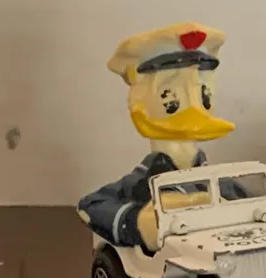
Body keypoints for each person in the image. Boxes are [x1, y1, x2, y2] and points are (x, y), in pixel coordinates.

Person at [77, 23, 236, 253]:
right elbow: (89, 205)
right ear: (141, 104)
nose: (194, 111)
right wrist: (137, 222)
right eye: (169, 98)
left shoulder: (224, 186)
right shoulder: (139, 185)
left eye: (204, 96)